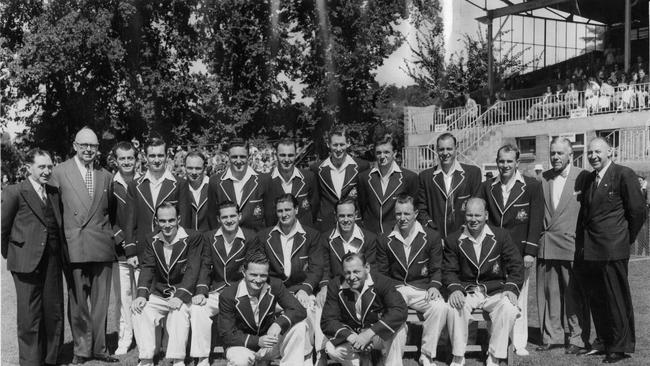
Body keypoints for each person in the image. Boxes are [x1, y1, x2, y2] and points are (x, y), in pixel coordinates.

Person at [50, 127, 118, 363]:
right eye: (84, 145)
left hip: (101, 245)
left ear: (98, 149)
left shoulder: (106, 175)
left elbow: (111, 210)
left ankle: (99, 348)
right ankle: (81, 349)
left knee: (101, 302)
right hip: (74, 246)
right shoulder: (58, 173)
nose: (89, 150)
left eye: (94, 146)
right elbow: (55, 212)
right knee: (78, 302)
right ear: (75, 146)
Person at [575, 137, 646, 363]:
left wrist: (624, 238)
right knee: (598, 299)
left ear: (610, 153)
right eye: (590, 152)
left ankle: (619, 345)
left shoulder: (624, 174)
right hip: (592, 250)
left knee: (616, 298)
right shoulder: (589, 179)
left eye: (598, 152)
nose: (593, 156)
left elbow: (637, 212)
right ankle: (605, 340)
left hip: (613, 248)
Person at [477, 144, 543, 356]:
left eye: (509, 161)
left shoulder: (531, 186)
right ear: (497, 162)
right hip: (493, 252)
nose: (505, 165)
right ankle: (495, 338)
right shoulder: (487, 186)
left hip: (520, 251)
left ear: (517, 163)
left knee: (519, 296)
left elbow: (536, 220)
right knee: (496, 295)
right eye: (501, 161)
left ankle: (519, 341)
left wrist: (530, 251)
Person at [1, 149, 64, 366]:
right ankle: (30, 362)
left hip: (52, 262)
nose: (46, 171)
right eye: (41, 167)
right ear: (29, 168)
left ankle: (51, 359)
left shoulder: (54, 193)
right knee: (29, 318)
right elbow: (3, 229)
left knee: (53, 313)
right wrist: (14, 254)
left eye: (49, 167)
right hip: (25, 263)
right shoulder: (14, 192)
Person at [443, 198, 524, 366]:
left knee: (509, 307)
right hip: (468, 291)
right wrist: (455, 289)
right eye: (469, 215)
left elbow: (516, 264)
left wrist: (511, 288)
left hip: (495, 290)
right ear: (464, 216)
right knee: (454, 304)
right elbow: (449, 271)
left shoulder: (501, 235)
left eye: (478, 215)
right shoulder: (453, 240)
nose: (473, 219)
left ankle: (494, 356)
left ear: (486, 215)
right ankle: (458, 356)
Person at [376, 194, 447, 366]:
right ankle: (394, 362)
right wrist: (387, 294)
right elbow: (383, 273)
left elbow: (437, 268)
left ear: (415, 213)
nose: (402, 218)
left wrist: (435, 286)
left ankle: (427, 354)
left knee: (440, 306)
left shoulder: (431, 236)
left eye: (407, 213)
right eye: (399, 214)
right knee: (395, 313)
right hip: (396, 288)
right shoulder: (385, 238)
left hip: (421, 288)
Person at [131, 202, 203, 366]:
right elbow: (147, 267)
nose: (167, 225)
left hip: (183, 293)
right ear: (156, 221)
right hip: (160, 293)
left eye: (171, 220)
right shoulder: (152, 239)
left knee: (178, 311)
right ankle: (146, 358)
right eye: (162, 221)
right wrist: (141, 294)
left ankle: (177, 359)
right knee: (139, 308)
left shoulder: (193, 237)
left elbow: (193, 269)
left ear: (178, 219)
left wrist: (180, 296)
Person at [536, 138, 591, 354]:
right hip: (547, 245)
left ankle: (577, 338)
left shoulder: (583, 177)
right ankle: (552, 336)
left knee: (574, 295)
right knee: (550, 295)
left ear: (570, 154)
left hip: (572, 246)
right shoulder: (543, 179)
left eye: (560, 153)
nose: (556, 157)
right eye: (553, 153)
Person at [189, 201, 258, 366]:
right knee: (198, 308)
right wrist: (201, 291)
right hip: (217, 291)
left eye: (233, 216)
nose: (229, 220)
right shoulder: (209, 237)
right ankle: (202, 357)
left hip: (241, 292)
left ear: (239, 216)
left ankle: (250, 351)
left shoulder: (251, 237)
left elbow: (254, 268)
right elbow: (205, 265)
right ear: (218, 219)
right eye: (224, 217)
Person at [257, 193, 324, 359]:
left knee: (307, 314)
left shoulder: (311, 235)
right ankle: (271, 354)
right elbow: (262, 269)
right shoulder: (265, 236)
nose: (284, 214)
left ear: (296, 209)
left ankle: (307, 357)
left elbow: (316, 268)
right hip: (275, 291)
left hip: (301, 290)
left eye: (288, 209)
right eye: (280, 211)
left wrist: (305, 289)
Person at [217, 250, 311, 366]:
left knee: (299, 326)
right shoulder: (228, 295)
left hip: (269, 343)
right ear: (243, 272)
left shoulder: (275, 284)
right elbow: (227, 335)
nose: (258, 280)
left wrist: (278, 324)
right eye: (253, 274)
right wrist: (257, 341)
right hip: (242, 346)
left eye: (263, 275)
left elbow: (299, 309)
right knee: (240, 360)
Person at [315, 198, 378, 363]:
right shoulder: (326, 238)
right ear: (335, 216)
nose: (346, 220)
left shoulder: (369, 238)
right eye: (341, 215)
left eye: (350, 215)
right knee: (320, 303)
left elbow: (371, 270)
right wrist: (324, 287)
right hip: (337, 287)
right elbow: (325, 268)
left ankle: (366, 348)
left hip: (361, 287)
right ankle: (321, 352)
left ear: (356, 215)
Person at [321, 252, 408, 365]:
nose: (352, 277)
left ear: (367, 268)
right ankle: (365, 362)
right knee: (331, 348)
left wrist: (368, 334)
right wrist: (353, 338)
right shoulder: (335, 285)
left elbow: (399, 311)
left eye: (356, 271)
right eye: (347, 273)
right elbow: (328, 320)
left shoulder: (383, 282)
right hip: (353, 337)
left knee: (400, 327)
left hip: (378, 335)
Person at [125, 137, 187, 268]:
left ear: (167, 156)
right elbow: (130, 220)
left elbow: (185, 220)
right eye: (152, 156)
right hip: (143, 253)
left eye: (160, 155)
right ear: (145, 157)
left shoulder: (180, 184)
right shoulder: (134, 186)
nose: (157, 160)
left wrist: (183, 250)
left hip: (172, 251)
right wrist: (130, 252)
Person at [417, 133, 482, 238]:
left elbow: (477, 207)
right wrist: (432, 232)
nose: (445, 153)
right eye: (441, 149)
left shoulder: (472, 173)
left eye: (449, 149)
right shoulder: (425, 177)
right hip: (436, 239)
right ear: (437, 150)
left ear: (456, 148)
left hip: (464, 237)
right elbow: (421, 209)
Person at [108, 141, 140, 355]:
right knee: (124, 296)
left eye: (130, 158)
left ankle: (147, 336)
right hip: (120, 251)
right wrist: (122, 239)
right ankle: (125, 337)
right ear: (116, 160)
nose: (127, 162)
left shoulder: (145, 182)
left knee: (145, 294)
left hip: (142, 250)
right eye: (122, 158)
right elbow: (107, 217)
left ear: (136, 160)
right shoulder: (110, 184)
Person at [312, 124, 369, 232]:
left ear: (348, 143)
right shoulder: (317, 169)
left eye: (342, 144)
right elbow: (315, 201)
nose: (338, 149)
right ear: (328, 144)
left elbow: (364, 199)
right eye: (335, 145)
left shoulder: (362, 167)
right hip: (326, 226)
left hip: (353, 225)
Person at [358, 132, 418, 234]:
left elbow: (414, 209)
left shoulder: (409, 177)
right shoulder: (363, 178)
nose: (382, 156)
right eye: (378, 152)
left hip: (396, 235)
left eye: (386, 152)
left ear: (394, 153)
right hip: (372, 236)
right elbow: (362, 207)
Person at [207, 139, 270, 231]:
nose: (239, 161)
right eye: (234, 157)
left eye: (242, 157)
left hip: (256, 241)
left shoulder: (263, 180)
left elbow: (270, 217)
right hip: (227, 241)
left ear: (249, 157)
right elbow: (212, 216)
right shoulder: (215, 182)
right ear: (228, 157)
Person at [265, 138, 318, 228]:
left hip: (303, 235)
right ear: (276, 155)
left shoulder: (309, 178)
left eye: (290, 155)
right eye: (282, 155)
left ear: (295, 155)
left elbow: (315, 207)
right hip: (276, 236)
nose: (286, 159)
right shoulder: (265, 181)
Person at [181, 151, 211, 231]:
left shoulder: (213, 186)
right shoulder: (179, 188)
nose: (194, 172)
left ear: (204, 168)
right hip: (187, 240)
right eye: (190, 168)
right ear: (184, 168)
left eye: (198, 168)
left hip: (209, 240)